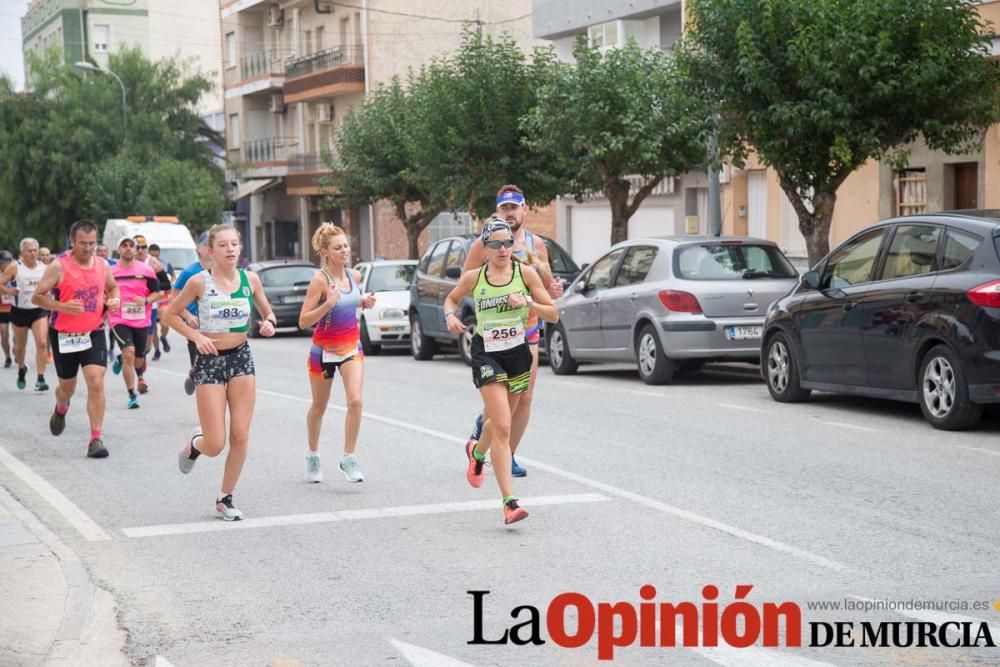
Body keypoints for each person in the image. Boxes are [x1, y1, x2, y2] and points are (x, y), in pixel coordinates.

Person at [444, 218, 559, 525]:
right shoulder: (474, 277)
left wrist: (529, 301)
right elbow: (452, 299)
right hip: (486, 354)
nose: (503, 249)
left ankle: (477, 453)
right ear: (485, 248)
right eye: (495, 244)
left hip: (517, 354)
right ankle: (509, 503)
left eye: (507, 243)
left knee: (496, 423)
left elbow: (553, 313)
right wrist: (449, 317)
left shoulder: (526, 273)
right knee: (503, 425)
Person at [164, 223, 277, 521]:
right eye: (223, 245)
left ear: (241, 248)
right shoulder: (199, 283)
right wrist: (197, 337)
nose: (230, 249)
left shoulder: (250, 279)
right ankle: (194, 445)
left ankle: (224, 498)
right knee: (216, 444)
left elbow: (268, 311)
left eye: (234, 244)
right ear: (210, 251)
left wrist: (269, 323)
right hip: (210, 360)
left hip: (240, 358)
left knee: (240, 435)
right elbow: (170, 314)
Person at [461, 185, 564, 478]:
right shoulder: (482, 245)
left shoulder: (537, 245)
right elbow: (466, 283)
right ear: (497, 212)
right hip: (494, 334)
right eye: (504, 208)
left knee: (525, 398)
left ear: (524, 210)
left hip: (527, 329)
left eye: (514, 207)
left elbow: (545, 291)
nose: (510, 212)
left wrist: (553, 290)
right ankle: (484, 432)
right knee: (500, 402)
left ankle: (509, 453)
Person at [33, 220, 120, 459]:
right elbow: (37, 297)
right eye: (83, 243)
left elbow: (113, 288)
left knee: (95, 381)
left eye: (92, 243)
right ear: (72, 241)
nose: (88, 248)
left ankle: (95, 439)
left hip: (93, 332)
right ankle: (61, 407)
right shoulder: (58, 267)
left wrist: (114, 300)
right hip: (64, 335)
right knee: (67, 388)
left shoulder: (102, 265)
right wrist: (61, 306)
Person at [298, 223, 376, 484]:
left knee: (355, 400)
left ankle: (348, 457)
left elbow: (351, 301)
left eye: (346, 245)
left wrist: (364, 301)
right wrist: (328, 304)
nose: (345, 250)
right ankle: (312, 455)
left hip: (351, 347)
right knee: (319, 406)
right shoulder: (320, 281)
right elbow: (303, 321)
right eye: (338, 247)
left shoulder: (354, 275)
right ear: (325, 251)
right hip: (323, 351)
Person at [109, 237, 161, 408]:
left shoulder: (146, 270)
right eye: (124, 246)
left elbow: (157, 293)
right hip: (119, 319)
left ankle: (121, 359)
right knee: (129, 352)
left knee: (139, 359)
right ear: (119, 250)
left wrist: (146, 301)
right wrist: (109, 303)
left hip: (141, 320)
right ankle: (132, 394)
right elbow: (102, 293)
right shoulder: (111, 271)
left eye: (132, 246)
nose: (129, 248)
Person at [0, 238, 50, 391]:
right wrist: (9, 291)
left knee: (42, 343)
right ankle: (21, 368)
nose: (33, 253)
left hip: (38, 310)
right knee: (20, 347)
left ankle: (40, 379)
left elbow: (53, 284)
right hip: (19, 311)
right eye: (29, 250)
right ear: (22, 252)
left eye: (35, 250)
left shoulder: (44, 268)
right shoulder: (15, 267)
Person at [172, 232, 213, 395]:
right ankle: (195, 373)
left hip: (219, 326)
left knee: (215, 370)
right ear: (199, 248)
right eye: (206, 244)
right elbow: (174, 299)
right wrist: (188, 317)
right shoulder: (190, 272)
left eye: (213, 244)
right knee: (203, 370)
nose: (210, 248)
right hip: (195, 328)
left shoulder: (223, 271)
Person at [148, 243, 175, 359]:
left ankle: (163, 337)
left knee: (165, 323)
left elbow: (173, 277)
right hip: (152, 299)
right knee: (153, 328)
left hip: (164, 298)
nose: (155, 259)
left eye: (157, 256)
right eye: (152, 256)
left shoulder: (165, 264)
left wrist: (172, 283)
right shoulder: (144, 264)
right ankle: (157, 350)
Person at [0, 250, 13, 368]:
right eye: (5, 263)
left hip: (15, 308)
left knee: (18, 336)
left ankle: (17, 350)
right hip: (1, 310)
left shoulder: (16, 273)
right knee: (4, 334)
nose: (7, 265)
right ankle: (8, 357)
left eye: (9, 262)